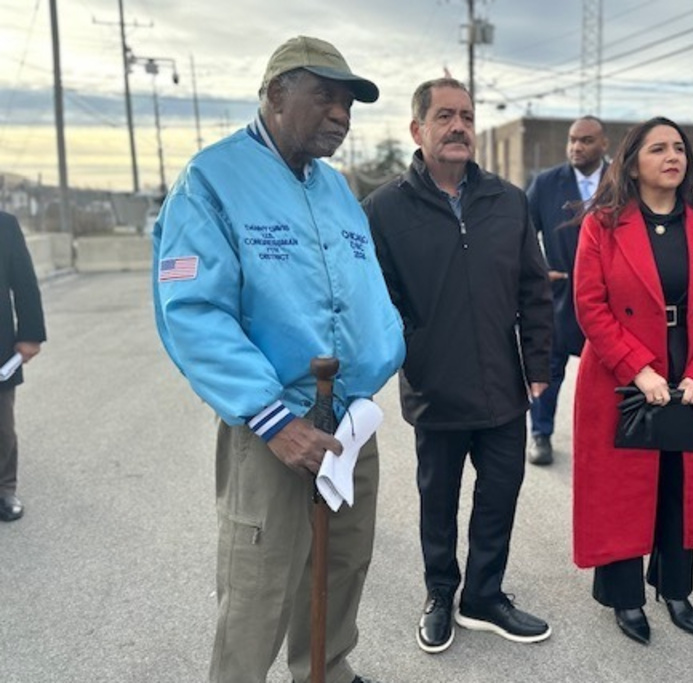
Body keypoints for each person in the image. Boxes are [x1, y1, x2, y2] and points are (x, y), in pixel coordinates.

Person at [152, 36, 404, 683]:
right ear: (274, 95)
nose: (341, 114)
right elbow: (193, 311)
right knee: (259, 580)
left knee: (343, 562)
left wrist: (376, 365)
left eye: (348, 104)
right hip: (274, 421)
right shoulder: (213, 180)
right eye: (325, 96)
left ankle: (327, 669)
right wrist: (272, 419)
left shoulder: (336, 190)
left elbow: (366, 292)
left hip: (347, 419)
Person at [363, 77, 553, 654]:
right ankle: (441, 592)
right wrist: (414, 351)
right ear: (417, 130)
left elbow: (534, 288)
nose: (459, 127)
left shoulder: (508, 201)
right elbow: (378, 301)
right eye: (445, 116)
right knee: (438, 500)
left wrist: (537, 363)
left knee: (500, 494)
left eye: (467, 116)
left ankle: (484, 596)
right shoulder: (384, 209)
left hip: (503, 384)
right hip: (436, 387)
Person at [571, 117, 693, 645]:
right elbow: (590, 304)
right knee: (623, 489)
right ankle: (624, 596)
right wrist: (638, 368)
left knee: (682, 483)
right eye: (657, 149)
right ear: (632, 164)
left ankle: (676, 589)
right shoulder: (603, 224)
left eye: (678, 147)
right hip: (622, 375)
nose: (672, 156)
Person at [524, 115, 608, 465]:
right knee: (549, 369)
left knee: (606, 374)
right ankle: (540, 434)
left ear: (603, 144)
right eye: (572, 140)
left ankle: (603, 440)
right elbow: (521, 232)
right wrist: (539, 271)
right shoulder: (546, 183)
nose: (576, 147)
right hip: (559, 297)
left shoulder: (623, 181)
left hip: (607, 300)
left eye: (586, 140)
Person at [0, 212, 46, 523]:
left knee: (1, 424)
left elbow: (24, 283)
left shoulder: (4, 225)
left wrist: (30, 334)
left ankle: (4, 488)